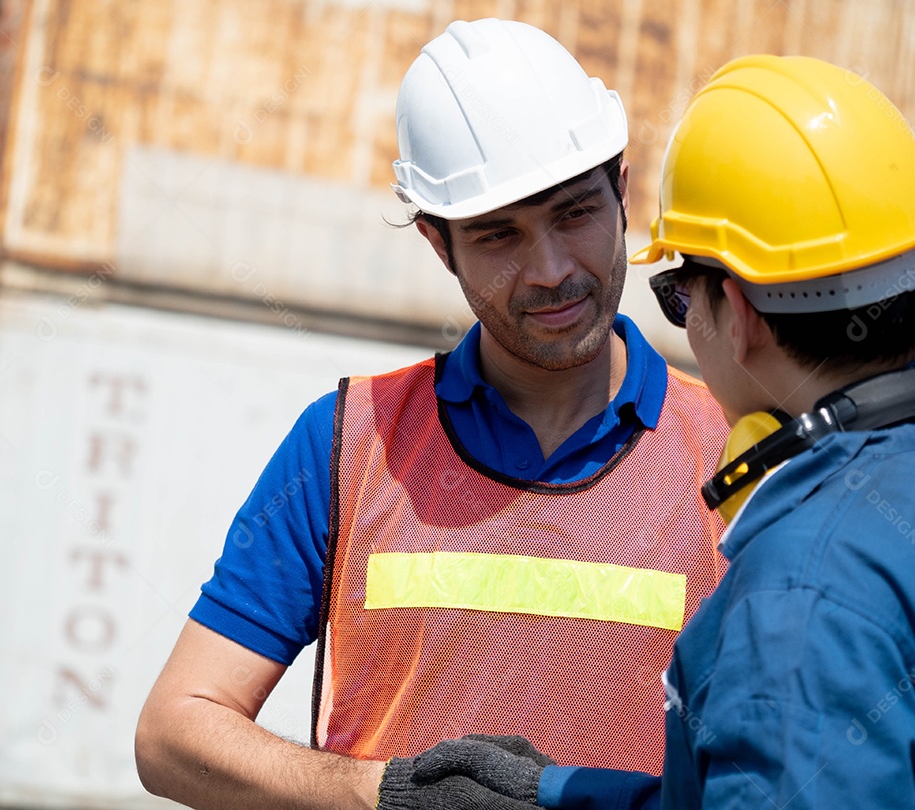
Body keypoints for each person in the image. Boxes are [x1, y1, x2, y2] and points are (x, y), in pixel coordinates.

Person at [134, 18, 729, 810]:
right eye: (499, 235)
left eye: (574, 213)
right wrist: (386, 795)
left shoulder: (734, 452)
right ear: (437, 242)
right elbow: (173, 733)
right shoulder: (348, 443)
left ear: (623, 190)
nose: (551, 269)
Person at [412, 53, 915, 809]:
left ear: (737, 314)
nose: (550, 271)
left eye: (679, 294)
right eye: (498, 235)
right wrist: (561, 796)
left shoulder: (801, 587)